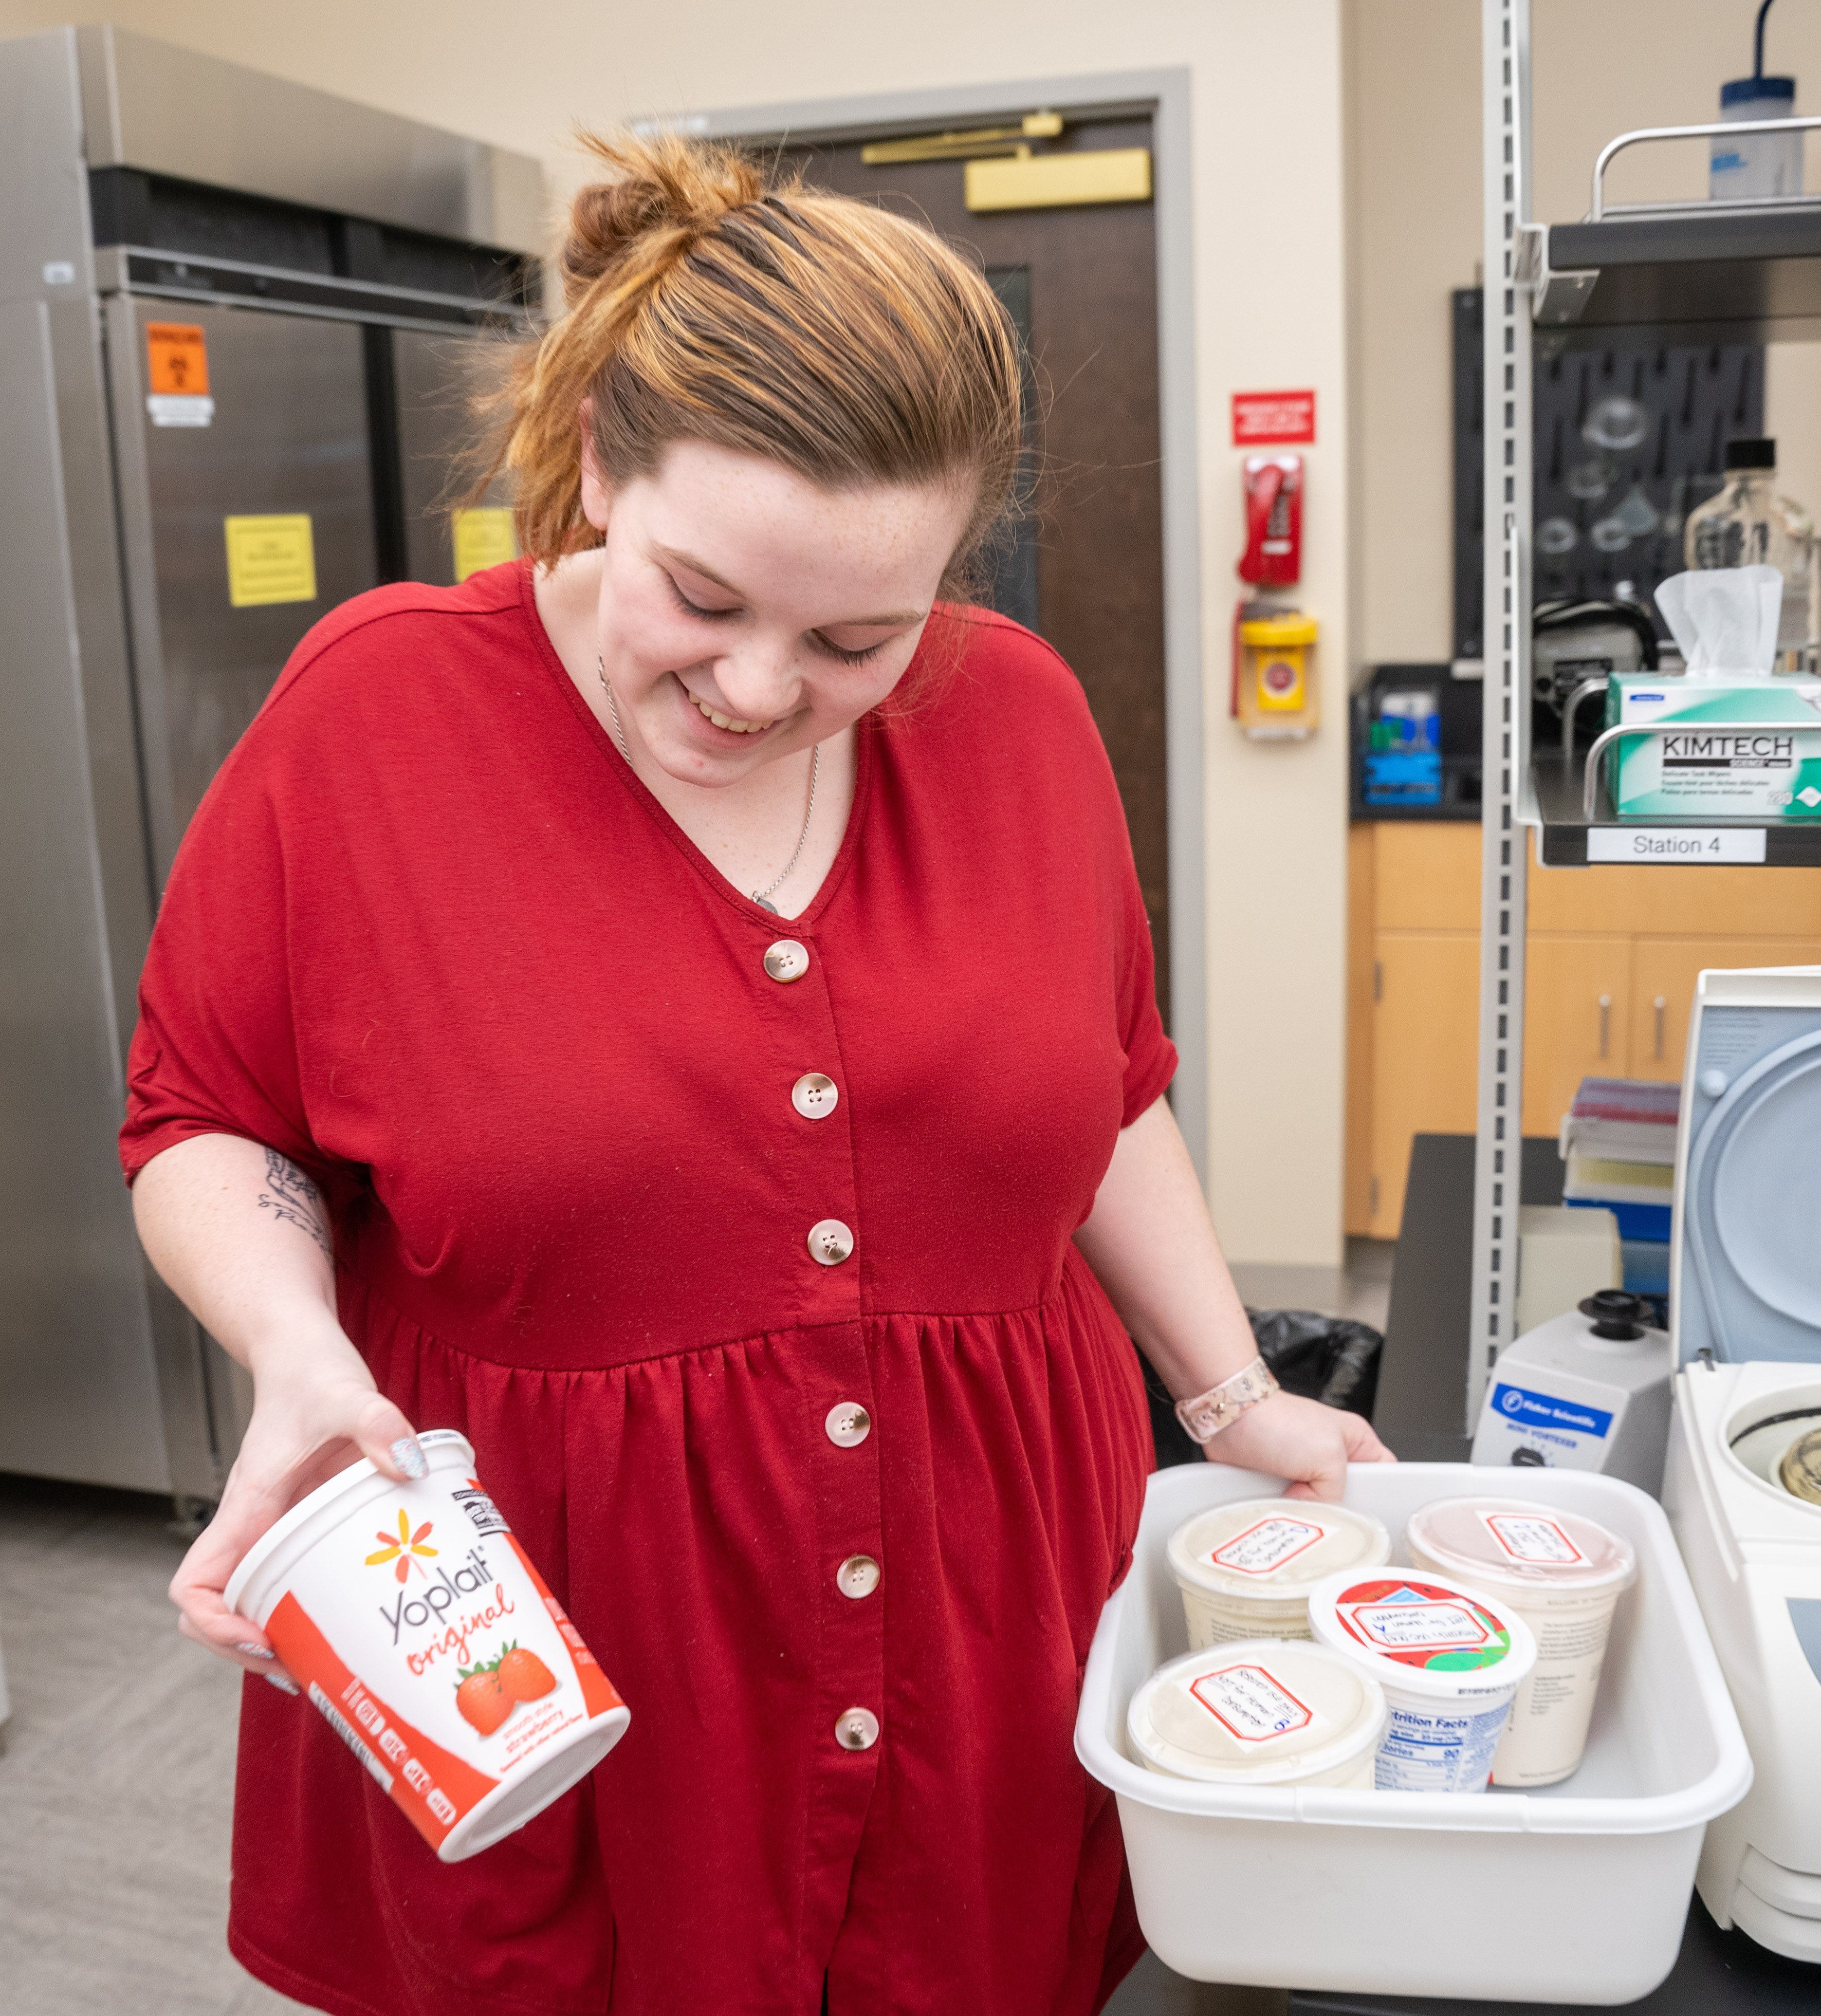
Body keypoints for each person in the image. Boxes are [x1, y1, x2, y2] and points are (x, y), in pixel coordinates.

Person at [121, 134, 1391, 2016]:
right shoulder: (377, 717)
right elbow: (207, 1118)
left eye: (854, 638)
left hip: (980, 1613)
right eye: (701, 598)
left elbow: (1107, 1092)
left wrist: (1229, 1396)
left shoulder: (1019, 717)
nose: (753, 686)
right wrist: (297, 1350)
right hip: (552, 1633)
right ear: (598, 469)